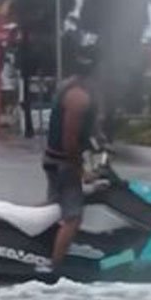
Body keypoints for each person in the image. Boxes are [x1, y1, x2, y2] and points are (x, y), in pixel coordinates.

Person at [38, 33, 100, 274]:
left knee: (54, 208)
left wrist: (98, 143)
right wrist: (81, 170)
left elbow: (87, 130)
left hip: (52, 159)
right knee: (72, 217)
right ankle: (55, 267)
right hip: (63, 163)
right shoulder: (79, 97)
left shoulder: (69, 86)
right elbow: (70, 139)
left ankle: (40, 247)